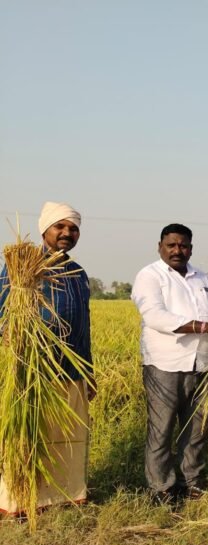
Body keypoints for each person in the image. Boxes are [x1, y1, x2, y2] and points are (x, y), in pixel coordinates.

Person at [131, 223, 208, 503]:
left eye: (184, 246)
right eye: (172, 245)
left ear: (191, 248)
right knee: (162, 427)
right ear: (160, 246)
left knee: (197, 428)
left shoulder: (200, 277)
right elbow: (156, 317)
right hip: (165, 364)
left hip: (204, 363)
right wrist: (205, 327)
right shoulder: (149, 276)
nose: (178, 250)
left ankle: (191, 480)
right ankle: (162, 487)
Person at [0, 202, 93, 515]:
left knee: (69, 436)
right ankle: (20, 500)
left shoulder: (78, 273)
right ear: (45, 230)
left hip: (73, 367)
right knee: (28, 435)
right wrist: (12, 335)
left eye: (73, 228)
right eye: (60, 227)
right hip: (33, 369)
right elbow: (3, 312)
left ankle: (65, 496)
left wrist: (89, 368)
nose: (67, 233)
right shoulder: (23, 265)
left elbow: (85, 322)